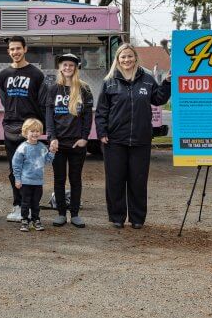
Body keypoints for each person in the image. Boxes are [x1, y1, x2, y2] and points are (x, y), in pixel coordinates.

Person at [95, 43, 171, 229]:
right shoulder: (109, 81)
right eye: (123, 57)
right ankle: (117, 217)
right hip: (114, 140)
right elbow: (101, 111)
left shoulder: (147, 79)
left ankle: (137, 218)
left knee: (138, 180)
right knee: (115, 180)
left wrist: (167, 83)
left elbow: (158, 99)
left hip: (141, 139)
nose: (126, 60)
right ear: (117, 59)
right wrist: (102, 132)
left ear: (135, 58)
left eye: (129, 56)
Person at [0, 36, 45, 222]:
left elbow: (41, 102)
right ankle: (17, 205)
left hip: (30, 130)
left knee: (33, 169)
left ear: (25, 49)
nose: (15, 52)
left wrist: (40, 128)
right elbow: (4, 100)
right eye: (12, 49)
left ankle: (32, 208)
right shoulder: (3, 75)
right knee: (14, 170)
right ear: (8, 51)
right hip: (10, 127)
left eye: (18, 48)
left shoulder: (36, 74)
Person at [45, 54, 93, 228]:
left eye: (71, 65)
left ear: (76, 68)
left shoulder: (84, 89)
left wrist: (84, 138)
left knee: (75, 179)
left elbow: (88, 117)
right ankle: (60, 214)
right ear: (60, 67)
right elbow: (49, 116)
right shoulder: (53, 89)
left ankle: (74, 214)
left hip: (76, 144)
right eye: (64, 65)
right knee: (59, 179)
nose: (67, 68)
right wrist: (52, 138)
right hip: (58, 144)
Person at [12, 118, 55, 232]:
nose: (35, 133)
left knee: (36, 202)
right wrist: (17, 179)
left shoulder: (42, 147)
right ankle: (25, 220)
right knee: (25, 202)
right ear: (25, 132)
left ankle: (36, 219)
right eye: (32, 131)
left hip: (38, 182)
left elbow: (47, 160)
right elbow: (16, 165)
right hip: (25, 181)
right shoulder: (22, 148)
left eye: (37, 131)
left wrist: (52, 152)